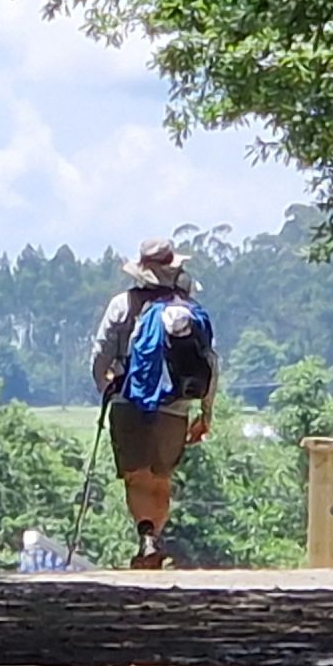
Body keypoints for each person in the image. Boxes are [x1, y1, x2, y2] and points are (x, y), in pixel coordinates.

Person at [89, 238, 217, 569]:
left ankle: (145, 536)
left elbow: (100, 356)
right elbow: (210, 363)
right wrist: (206, 413)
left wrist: (107, 387)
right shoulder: (187, 311)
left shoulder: (121, 304)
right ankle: (154, 541)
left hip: (127, 401)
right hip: (174, 407)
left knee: (136, 477)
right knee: (161, 479)